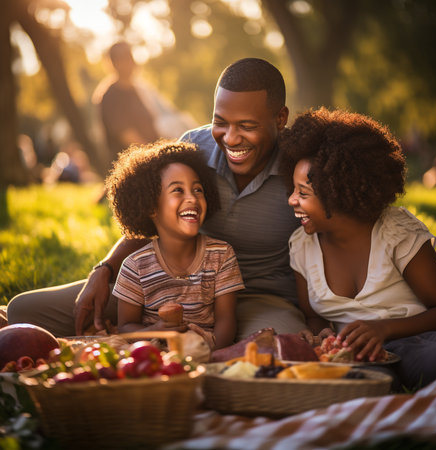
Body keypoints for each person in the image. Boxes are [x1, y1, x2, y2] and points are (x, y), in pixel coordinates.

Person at [7, 58, 307, 340]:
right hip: (167, 288)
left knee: (278, 345)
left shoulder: (300, 168)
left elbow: (336, 241)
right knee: (25, 311)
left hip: (260, 301)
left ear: (280, 118)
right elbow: (156, 223)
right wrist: (105, 269)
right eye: (221, 122)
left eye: (247, 126)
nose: (230, 138)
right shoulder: (193, 148)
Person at [280, 107, 436, 390]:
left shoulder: (396, 233)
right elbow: (313, 314)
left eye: (303, 193)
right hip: (353, 356)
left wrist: (383, 329)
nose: (292, 201)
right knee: (356, 384)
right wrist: (319, 333)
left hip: (415, 342)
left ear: (338, 193)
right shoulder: (302, 246)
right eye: (292, 190)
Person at [105, 141, 243, 350]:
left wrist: (214, 353)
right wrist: (156, 330)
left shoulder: (221, 254)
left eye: (198, 189)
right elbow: (125, 327)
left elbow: (226, 320)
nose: (192, 198)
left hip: (204, 351)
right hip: (154, 358)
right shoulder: (135, 267)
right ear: (151, 206)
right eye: (178, 190)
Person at [92, 41, 196, 169]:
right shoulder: (110, 95)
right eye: (126, 58)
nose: (132, 62)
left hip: (152, 155)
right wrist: (157, 153)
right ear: (115, 63)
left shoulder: (139, 90)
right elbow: (127, 136)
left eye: (131, 57)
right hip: (133, 164)